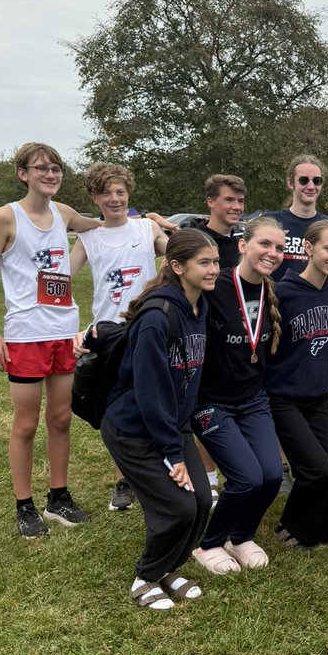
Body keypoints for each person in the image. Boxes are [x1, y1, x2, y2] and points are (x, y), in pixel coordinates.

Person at [0, 142, 102, 538]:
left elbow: (99, 224)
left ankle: (58, 498)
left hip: (63, 330)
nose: (51, 175)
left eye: (56, 168)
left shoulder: (62, 213)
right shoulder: (5, 217)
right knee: (27, 424)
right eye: (42, 168)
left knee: (61, 418)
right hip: (26, 335)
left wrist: (144, 219)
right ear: (23, 174)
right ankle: (24, 504)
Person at [100, 229, 218, 610]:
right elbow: (151, 393)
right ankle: (146, 577)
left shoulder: (200, 306)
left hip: (173, 424)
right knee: (177, 506)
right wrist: (174, 453)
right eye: (204, 262)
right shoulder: (158, 316)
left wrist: (181, 435)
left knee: (201, 501)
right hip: (133, 430)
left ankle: (169, 567)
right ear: (177, 266)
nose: (213, 269)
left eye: (215, 261)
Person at [70, 161, 171, 511]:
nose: (114, 199)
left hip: (149, 324)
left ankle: (163, 472)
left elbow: (174, 251)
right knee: (118, 407)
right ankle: (123, 480)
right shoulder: (88, 237)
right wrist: (74, 330)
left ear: (129, 194)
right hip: (109, 333)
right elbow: (60, 282)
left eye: (120, 192)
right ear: (95, 197)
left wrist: (167, 229)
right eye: (106, 193)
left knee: (155, 400)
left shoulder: (145, 228)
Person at [191, 217, 286, 572]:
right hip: (211, 402)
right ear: (243, 245)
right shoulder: (214, 287)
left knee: (272, 475)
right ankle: (209, 543)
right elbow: (166, 305)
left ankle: (241, 536)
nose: (272, 253)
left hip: (253, 399)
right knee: (247, 478)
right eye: (264, 244)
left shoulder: (270, 290)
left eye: (278, 247)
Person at [264, 220, 328, 549]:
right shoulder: (282, 292)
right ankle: (294, 528)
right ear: (308, 248)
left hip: (318, 397)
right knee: (316, 470)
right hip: (284, 397)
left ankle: (317, 533)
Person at [264, 154, 328, 280]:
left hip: (315, 298)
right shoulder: (271, 222)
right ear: (290, 183)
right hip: (276, 297)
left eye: (317, 181)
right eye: (304, 180)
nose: (311, 186)